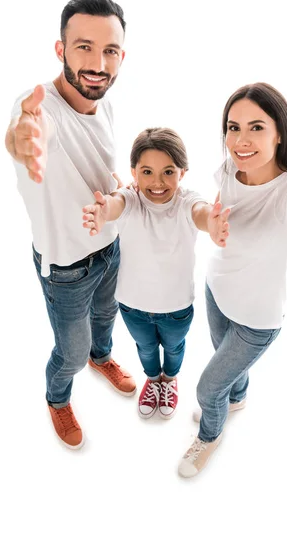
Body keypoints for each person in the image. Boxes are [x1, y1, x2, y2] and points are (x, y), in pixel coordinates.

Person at [177, 82, 287, 477]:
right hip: (216, 292)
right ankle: (235, 399)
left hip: (257, 320)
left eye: (256, 127)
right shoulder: (230, 172)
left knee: (207, 390)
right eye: (233, 127)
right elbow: (218, 213)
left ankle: (210, 435)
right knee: (229, 376)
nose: (241, 139)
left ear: (279, 133)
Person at [5, 0, 137, 450]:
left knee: (106, 317)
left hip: (111, 248)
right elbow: (26, 132)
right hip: (66, 268)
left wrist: (120, 189)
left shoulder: (108, 105)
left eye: (110, 50)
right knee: (71, 352)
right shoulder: (37, 108)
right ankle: (57, 398)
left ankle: (104, 358)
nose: (98, 62)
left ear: (122, 55)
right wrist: (23, 140)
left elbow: (100, 172)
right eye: (84, 47)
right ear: (60, 49)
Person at [82, 128, 230, 420]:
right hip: (132, 307)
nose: (157, 182)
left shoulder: (187, 201)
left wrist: (211, 225)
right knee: (146, 349)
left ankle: (170, 380)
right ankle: (153, 379)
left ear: (183, 172)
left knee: (174, 349)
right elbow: (115, 204)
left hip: (176, 308)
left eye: (168, 172)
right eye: (147, 171)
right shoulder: (130, 198)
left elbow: (200, 212)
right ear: (134, 172)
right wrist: (102, 212)